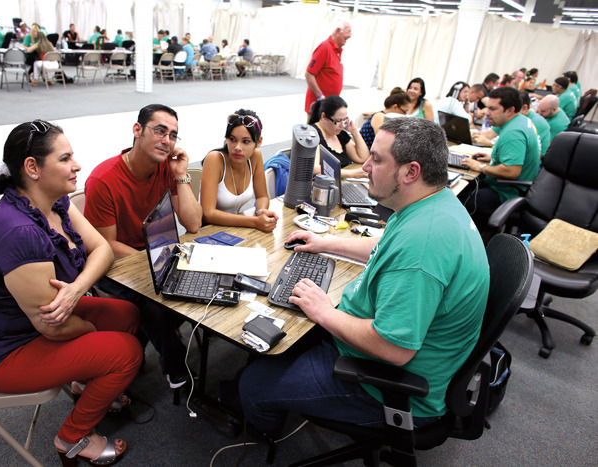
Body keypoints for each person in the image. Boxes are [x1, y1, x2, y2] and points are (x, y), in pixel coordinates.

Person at [236, 117, 489, 440]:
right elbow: (384, 245)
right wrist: (325, 243)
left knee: (254, 383)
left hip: (388, 384)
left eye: (378, 159)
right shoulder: (432, 203)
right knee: (283, 339)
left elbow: (394, 348)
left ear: (411, 172)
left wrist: (326, 313)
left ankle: (262, 438)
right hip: (389, 352)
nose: (365, 166)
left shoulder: (423, 246)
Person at [0, 120, 142, 465]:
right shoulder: (19, 233)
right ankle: (71, 438)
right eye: (66, 158)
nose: (77, 165)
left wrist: (77, 289)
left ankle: (87, 383)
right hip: (1, 352)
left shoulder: (54, 202)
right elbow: (53, 327)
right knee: (126, 351)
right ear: (33, 168)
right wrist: (91, 329)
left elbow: (101, 248)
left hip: (33, 324)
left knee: (128, 314)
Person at [84, 104, 202, 388]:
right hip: (112, 264)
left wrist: (180, 175)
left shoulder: (166, 169)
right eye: (160, 131)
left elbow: (194, 223)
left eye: (173, 135)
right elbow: (105, 246)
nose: (167, 140)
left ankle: (136, 343)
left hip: (155, 253)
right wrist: (157, 259)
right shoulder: (104, 179)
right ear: (137, 130)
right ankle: (176, 369)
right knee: (155, 303)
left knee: (194, 284)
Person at [461, 87, 540, 231]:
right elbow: (519, 154)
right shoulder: (521, 121)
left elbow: (512, 171)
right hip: (512, 185)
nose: (487, 113)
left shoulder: (513, 133)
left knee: (463, 199)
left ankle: (477, 240)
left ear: (510, 110)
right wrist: (493, 157)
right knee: (468, 184)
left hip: (508, 192)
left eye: (493, 109)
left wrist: (479, 167)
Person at [200, 110, 278, 231]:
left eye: (246, 141)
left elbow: (262, 196)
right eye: (232, 139)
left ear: (258, 142)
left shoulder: (255, 156)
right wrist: (255, 222)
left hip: (235, 229)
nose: (237, 147)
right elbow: (208, 214)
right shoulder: (215, 159)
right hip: (206, 231)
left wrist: (262, 212)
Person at [472, 90, 550, 157]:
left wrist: (490, 143)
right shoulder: (513, 118)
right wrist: (473, 135)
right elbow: (490, 134)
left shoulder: (534, 123)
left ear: (524, 108)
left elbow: (517, 151)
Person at [309, 95, 370, 177]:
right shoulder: (312, 135)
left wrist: (354, 131)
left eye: (345, 120)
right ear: (324, 117)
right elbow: (314, 169)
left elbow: (363, 157)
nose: (342, 125)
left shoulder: (340, 134)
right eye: (338, 121)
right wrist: (351, 174)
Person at [304, 21, 351, 115]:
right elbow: (309, 74)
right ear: (338, 31)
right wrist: (320, 97)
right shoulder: (325, 48)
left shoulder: (336, 51)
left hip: (329, 107)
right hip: (319, 107)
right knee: (316, 129)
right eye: (348, 32)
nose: (350, 35)